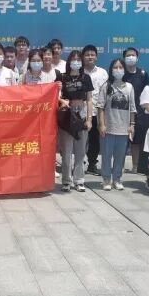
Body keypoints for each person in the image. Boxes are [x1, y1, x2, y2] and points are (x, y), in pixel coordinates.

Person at [96, 59, 136, 191]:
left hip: (123, 129)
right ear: (111, 70)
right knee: (106, 155)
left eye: (120, 67)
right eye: (115, 67)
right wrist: (102, 124)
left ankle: (117, 179)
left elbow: (132, 108)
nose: (118, 70)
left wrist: (132, 124)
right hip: (109, 128)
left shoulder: (129, 87)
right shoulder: (106, 86)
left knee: (120, 156)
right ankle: (106, 179)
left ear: (124, 70)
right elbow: (100, 107)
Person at [58, 50, 93, 192]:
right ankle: (66, 180)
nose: (76, 62)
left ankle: (79, 180)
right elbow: (55, 95)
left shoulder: (86, 77)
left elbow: (89, 100)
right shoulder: (62, 77)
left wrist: (89, 119)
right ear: (69, 61)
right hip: (67, 117)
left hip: (82, 115)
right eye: (73, 59)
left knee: (80, 151)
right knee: (66, 152)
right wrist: (62, 101)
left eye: (78, 59)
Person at [82, 44, 108, 175]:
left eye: (92, 55)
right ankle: (79, 164)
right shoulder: (79, 72)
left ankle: (92, 163)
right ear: (83, 57)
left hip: (97, 111)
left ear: (96, 57)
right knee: (80, 139)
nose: (90, 57)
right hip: (81, 111)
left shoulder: (103, 73)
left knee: (94, 140)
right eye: (87, 55)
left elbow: (107, 92)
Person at [122, 48, 148, 172]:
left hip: (139, 112)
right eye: (128, 55)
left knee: (136, 141)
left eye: (133, 55)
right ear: (124, 58)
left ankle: (135, 166)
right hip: (121, 111)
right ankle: (120, 165)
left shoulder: (142, 74)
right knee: (121, 140)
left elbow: (148, 91)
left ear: (137, 58)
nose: (131, 57)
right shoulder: (120, 73)